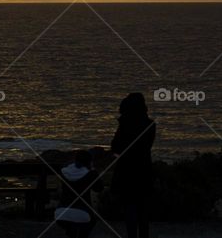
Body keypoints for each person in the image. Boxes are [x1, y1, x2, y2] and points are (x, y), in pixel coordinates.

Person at [111, 92, 155, 238]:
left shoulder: (124, 125)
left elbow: (116, 147)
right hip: (144, 170)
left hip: (127, 171)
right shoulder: (150, 125)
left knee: (130, 209)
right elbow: (147, 147)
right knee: (143, 212)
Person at [55, 149, 103, 238]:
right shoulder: (91, 173)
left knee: (72, 228)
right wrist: (93, 170)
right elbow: (99, 188)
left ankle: (71, 232)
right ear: (89, 162)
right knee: (90, 222)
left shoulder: (64, 171)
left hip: (60, 213)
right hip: (83, 213)